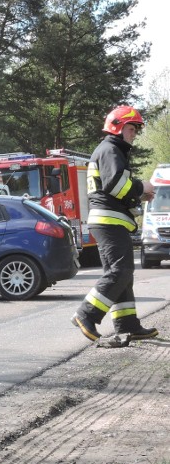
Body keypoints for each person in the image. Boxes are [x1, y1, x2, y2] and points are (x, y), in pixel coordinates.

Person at [71, 106, 158, 341]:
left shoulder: (110, 149)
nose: (134, 134)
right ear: (117, 127)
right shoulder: (110, 149)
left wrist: (139, 193)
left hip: (109, 220)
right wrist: (142, 188)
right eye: (132, 128)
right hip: (109, 220)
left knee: (122, 274)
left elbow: (114, 186)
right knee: (121, 271)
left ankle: (127, 324)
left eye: (136, 129)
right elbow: (116, 185)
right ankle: (86, 314)